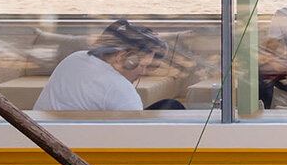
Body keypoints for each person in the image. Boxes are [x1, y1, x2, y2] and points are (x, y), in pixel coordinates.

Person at [34, 20, 180, 111]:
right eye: (142, 65)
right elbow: (136, 135)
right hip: (80, 147)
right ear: (122, 57)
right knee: (173, 107)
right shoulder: (119, 88)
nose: (142, 72)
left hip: (46, 137)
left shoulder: (75, 58)